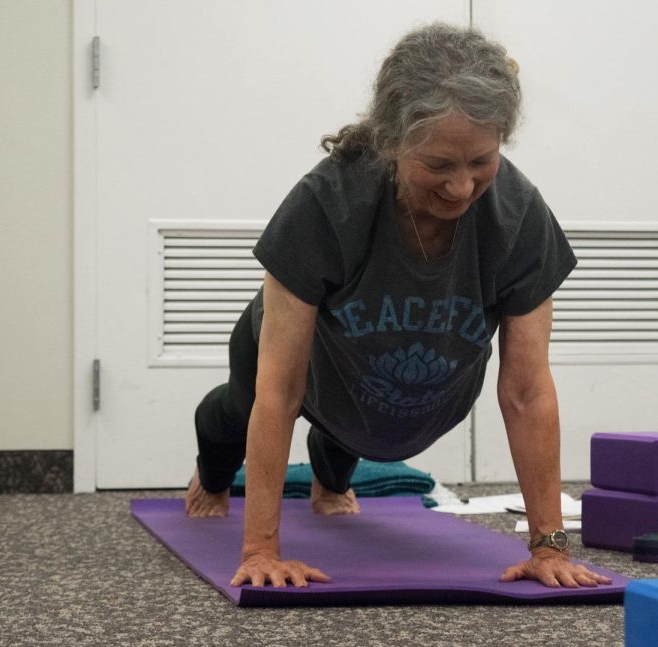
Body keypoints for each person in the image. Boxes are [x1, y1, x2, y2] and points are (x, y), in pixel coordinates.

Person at [184, 22, 611, 591]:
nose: (461, 187)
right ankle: (210, 476)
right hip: (303, 366)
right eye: (438, 166)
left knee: (355, 426)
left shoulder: (519, 216)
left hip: (385, 390)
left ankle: (331, 480)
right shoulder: (326, 203)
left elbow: (527, 391)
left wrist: (548, 546)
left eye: (481, 161)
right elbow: (280, 391)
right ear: (391, 141)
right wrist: (261, 547)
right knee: (237, 410)